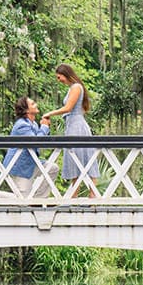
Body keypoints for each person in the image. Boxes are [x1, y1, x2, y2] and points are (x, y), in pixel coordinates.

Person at [0, 96, 58, 199]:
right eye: (32, 104)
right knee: (23, 201)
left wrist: (44, 127)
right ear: (27, 110)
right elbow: (35, 142)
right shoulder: (21, 125)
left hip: (31, 163)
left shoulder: (34, 124)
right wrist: (45, 127)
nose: (36, 104)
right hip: (20, 166)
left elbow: (40, 140)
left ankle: (39, 199)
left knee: (52, 168)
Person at [43, 63, 99, 197]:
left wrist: (49, 113)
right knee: (75, 162)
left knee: (85, 158)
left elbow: (68, 108)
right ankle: (74, 195)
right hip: (72, 126)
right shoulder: (72, 88)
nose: (59, 80)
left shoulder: (76, 87)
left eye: (59, 77)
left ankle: (92, 195)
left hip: (77, 127)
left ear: (66, 74)